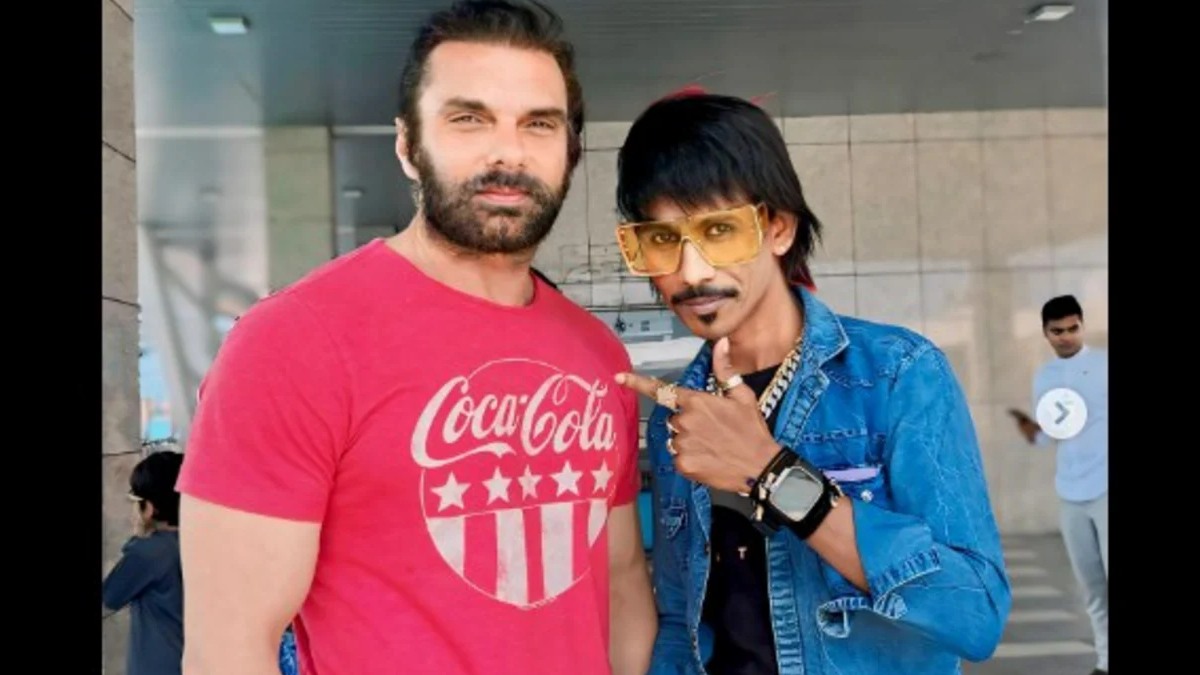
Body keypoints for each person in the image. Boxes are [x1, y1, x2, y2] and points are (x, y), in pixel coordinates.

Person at [174, 2, 656, 674]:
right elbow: (228, 649)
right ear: (407, 145)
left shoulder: (598, 354)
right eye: (469, 119)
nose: (508, 152)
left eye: (538, 124)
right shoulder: (291, 342)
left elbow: (622, 584)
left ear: (570, 150)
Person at [610, 90, 1011, 675]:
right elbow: (680, 621)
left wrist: (770, 472)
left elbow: (975, 613)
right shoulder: (679, 417)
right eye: (663, 240)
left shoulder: (897, 375)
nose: (691, 272)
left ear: (778, 228)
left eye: (719, 231)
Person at [1007, 294, 1107, 675]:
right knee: (1092, 585)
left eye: (1073, 328)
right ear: (1046, 333)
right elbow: (1051, 434)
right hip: (1071, 492)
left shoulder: (1103, 365)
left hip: (1106, 487)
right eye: (1058, 331)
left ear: (1082, 325)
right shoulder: (1045, 377)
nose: (1066, 337)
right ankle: (1105, 661)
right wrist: (1029, 429)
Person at [103, 446, 186, 675]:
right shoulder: (196, 544)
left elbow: (111, 595)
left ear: (149, 508)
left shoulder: (148, 552)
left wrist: (138, 537)